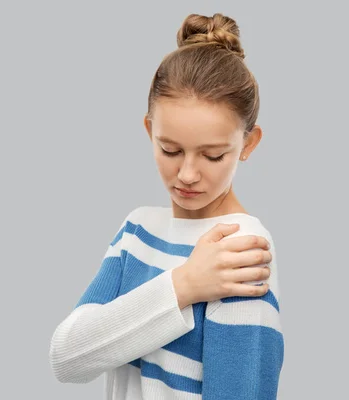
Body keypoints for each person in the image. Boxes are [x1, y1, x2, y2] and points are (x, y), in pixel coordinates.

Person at [49, 12, 284, 399]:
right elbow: (67, 358)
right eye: (170, 149)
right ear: (149, 131)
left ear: (249, 144)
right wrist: (184, 285)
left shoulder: (240, 251)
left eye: (212, 156)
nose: (187, 174)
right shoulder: (138, 231)